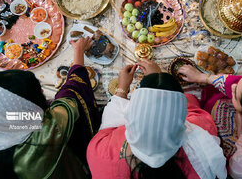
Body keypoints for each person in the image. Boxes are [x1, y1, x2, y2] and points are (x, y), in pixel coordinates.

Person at [0, 37, 101, 179]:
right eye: (39, 91)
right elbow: (70, 96)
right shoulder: (44, 136)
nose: (43, 93)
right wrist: (78, 51)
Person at [87, 59, 227, 179]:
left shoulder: (100, 152)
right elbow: (191, 108)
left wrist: (122, 88)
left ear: (129, 115)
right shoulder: (201, 135)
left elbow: (109, 122)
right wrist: (159, 84)